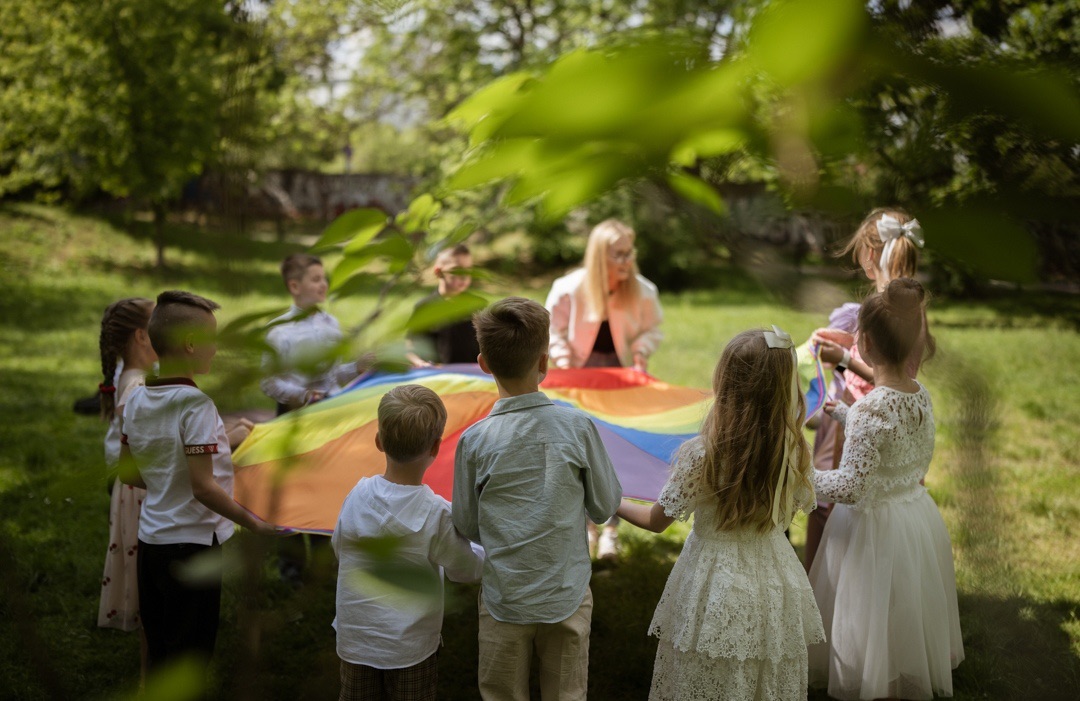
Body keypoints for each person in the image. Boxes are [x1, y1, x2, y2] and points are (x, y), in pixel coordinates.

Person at [618, 327, 825, 701]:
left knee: (708, 674)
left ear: (725, 384)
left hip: (714, 581)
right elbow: (799, 505)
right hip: (774, 581)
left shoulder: (703, 455)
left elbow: (655, 521)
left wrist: (612, 500)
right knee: (762, 673)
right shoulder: (795, 452)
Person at [452, 297, 622, 701]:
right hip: (566, 594)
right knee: (566, 694)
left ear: (483, 363)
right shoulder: (578, 427)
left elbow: (467, 524)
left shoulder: (473, 441)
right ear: (544, 362)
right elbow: (604, 507)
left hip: (504, 598)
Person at [809, 279, 963, 699]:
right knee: (899, 610)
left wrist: (802, 478)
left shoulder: (871, 408)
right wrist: (846, 414)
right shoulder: (919, 394)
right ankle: (896, 675)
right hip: (913, 518)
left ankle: (879, 685)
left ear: (866, 343)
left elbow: (851, 485)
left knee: (870, 612)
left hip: (873, 529)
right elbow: (893, 440)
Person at [118, 290, 282, 674]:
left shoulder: (136, 399)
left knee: (161, 645)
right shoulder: (196, 405)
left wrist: (166, 480)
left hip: (150, 543)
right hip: (191, 550)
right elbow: (203, 487)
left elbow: (128, 473)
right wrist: (254, 522)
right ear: (191, 344)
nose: (216, 348)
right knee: (189, 655)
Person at [333, 384, 484, 701]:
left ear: (378, 441)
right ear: (435, 448)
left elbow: (339, 547)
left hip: (356, 640)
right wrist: (489, 551)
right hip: (410, 647)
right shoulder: (436, 514)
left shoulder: (356, 495)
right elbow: (465, 569)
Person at [803, 207, 927, 571]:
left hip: (864, 423)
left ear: (870, 254)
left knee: (834, 509)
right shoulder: (905, 301)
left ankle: (828, 587)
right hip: (865, 418)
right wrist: (847, 341)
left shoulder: (891, 304)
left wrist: (842, 358)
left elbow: (891, 377)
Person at [545, 219, 662, 558]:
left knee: (615, 453)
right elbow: (551, 328)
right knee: (580, 451)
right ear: (599, 256)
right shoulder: (568, 288)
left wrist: (640, 351)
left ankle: (611, 529)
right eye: (618, 254)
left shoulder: (643, 290)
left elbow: (652, 329)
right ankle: (585, 527)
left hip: (621, 381)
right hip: (579, 379)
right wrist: (563, 358)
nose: (626, 260)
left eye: (629, 252)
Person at [97, 297, 155, 678]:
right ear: (141, 336)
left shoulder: (136, 379)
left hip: (137, 488)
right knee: (149, 585)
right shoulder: (135, 387)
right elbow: (151, 442)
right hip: (140, 492)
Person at [261, 253, 372, 415]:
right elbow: (269, 382)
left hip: (334, 408)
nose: (324, 284)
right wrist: (304, 395)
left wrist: (356, 368)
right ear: (295, 287)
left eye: (324, 278)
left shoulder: (331, 323)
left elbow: (331, 376)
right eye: (316, 280)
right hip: (297, 415)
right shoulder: (280, 330)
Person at [406, 244, 483, 367]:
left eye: (468, 270)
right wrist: (420, 363)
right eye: (458, 270)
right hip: (440, 374)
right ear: (439, 272)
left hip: (473, 373)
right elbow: (411, 345)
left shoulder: (477, 305)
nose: (464, 276)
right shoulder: (426, 307)